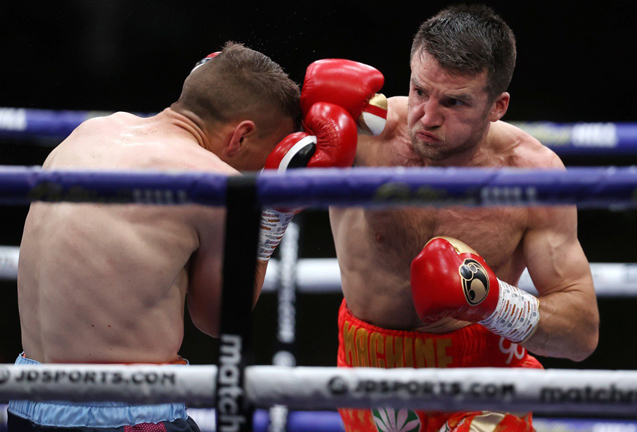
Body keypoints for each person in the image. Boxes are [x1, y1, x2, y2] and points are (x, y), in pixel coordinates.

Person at [9, 42, 377, 432]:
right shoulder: (213, 181)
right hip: (126, 413)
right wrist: (274, 215)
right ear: (240, 137)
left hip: (26, 398)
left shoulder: (89, 132)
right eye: (271, 153)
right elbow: (220, 318)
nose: (269, 167)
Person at [327, 5, 600, 432]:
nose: (428, 117)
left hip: (487, 376)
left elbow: (581, 332)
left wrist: (492, 303)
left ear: (498, 106)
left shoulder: (531, 175)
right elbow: (239, 151)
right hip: (372, 373)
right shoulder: (361, 137)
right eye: (420, 91)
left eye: (454, 102)